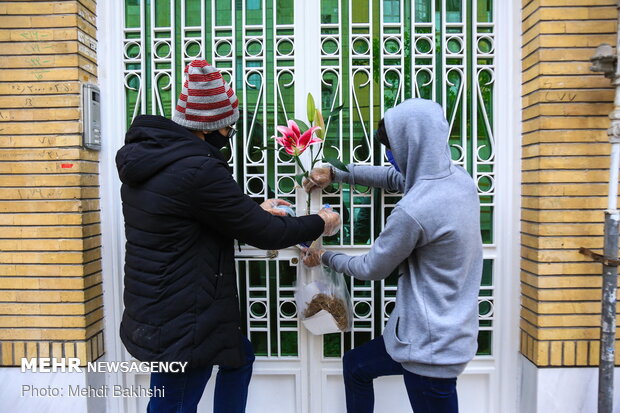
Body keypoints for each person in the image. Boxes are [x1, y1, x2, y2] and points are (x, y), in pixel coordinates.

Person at [115, 59, 340, 413]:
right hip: (184, 316)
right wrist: (319, 221)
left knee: (239, 358)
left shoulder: (156, 159)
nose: (230, 134)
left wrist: (251, 207)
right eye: (229, 127)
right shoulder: (198, 168)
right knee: (172, 404)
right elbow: (264, 233)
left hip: (163, 304)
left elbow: (191, 212)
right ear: (212, 128)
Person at [302, 98, 483, 413]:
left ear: (411, 144)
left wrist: (325, 256)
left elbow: (373, 267)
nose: (390, 155)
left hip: (427, 350)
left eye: (393, 147)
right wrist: (336, 172)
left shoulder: (415, 210)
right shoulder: (458, 181)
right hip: (447, 332)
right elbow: (394, 178)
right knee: (356, 366)